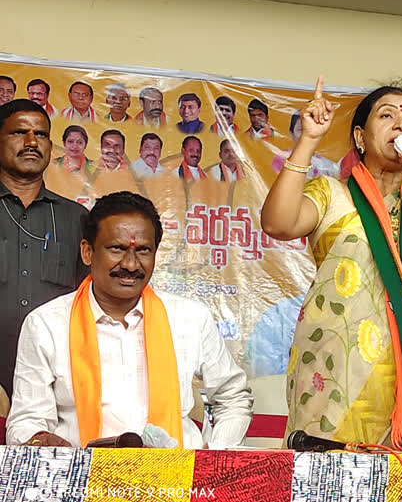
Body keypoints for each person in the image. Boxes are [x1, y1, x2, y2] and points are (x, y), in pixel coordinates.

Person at [261, 77, 402, 454]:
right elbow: (277, 223)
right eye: (387, 115)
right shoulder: (333, 195)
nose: (401, 125)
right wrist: (309, 139)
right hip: (333, 388)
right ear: (360, 139)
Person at [6, 191, 253, 448]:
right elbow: (27, 420)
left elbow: (233, 396)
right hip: (80, 480)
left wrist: (214, 458)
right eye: (117, 249)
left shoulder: (190, 318)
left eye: (144, 250)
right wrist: (37, 442)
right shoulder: (46, 324)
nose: (132, 265)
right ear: (87, 252)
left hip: (175, 482)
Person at [0, 99, 88, 399]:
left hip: (54, 384)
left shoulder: (75, 219)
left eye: (41, 134)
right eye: (18, 133)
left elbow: (90, 302)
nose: (31, 142)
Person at [271, 110, 340, 178]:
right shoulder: (282, 158)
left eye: (311, 129)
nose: (306, 134)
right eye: (301, 129)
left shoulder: (328, 166)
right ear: (291, 134)